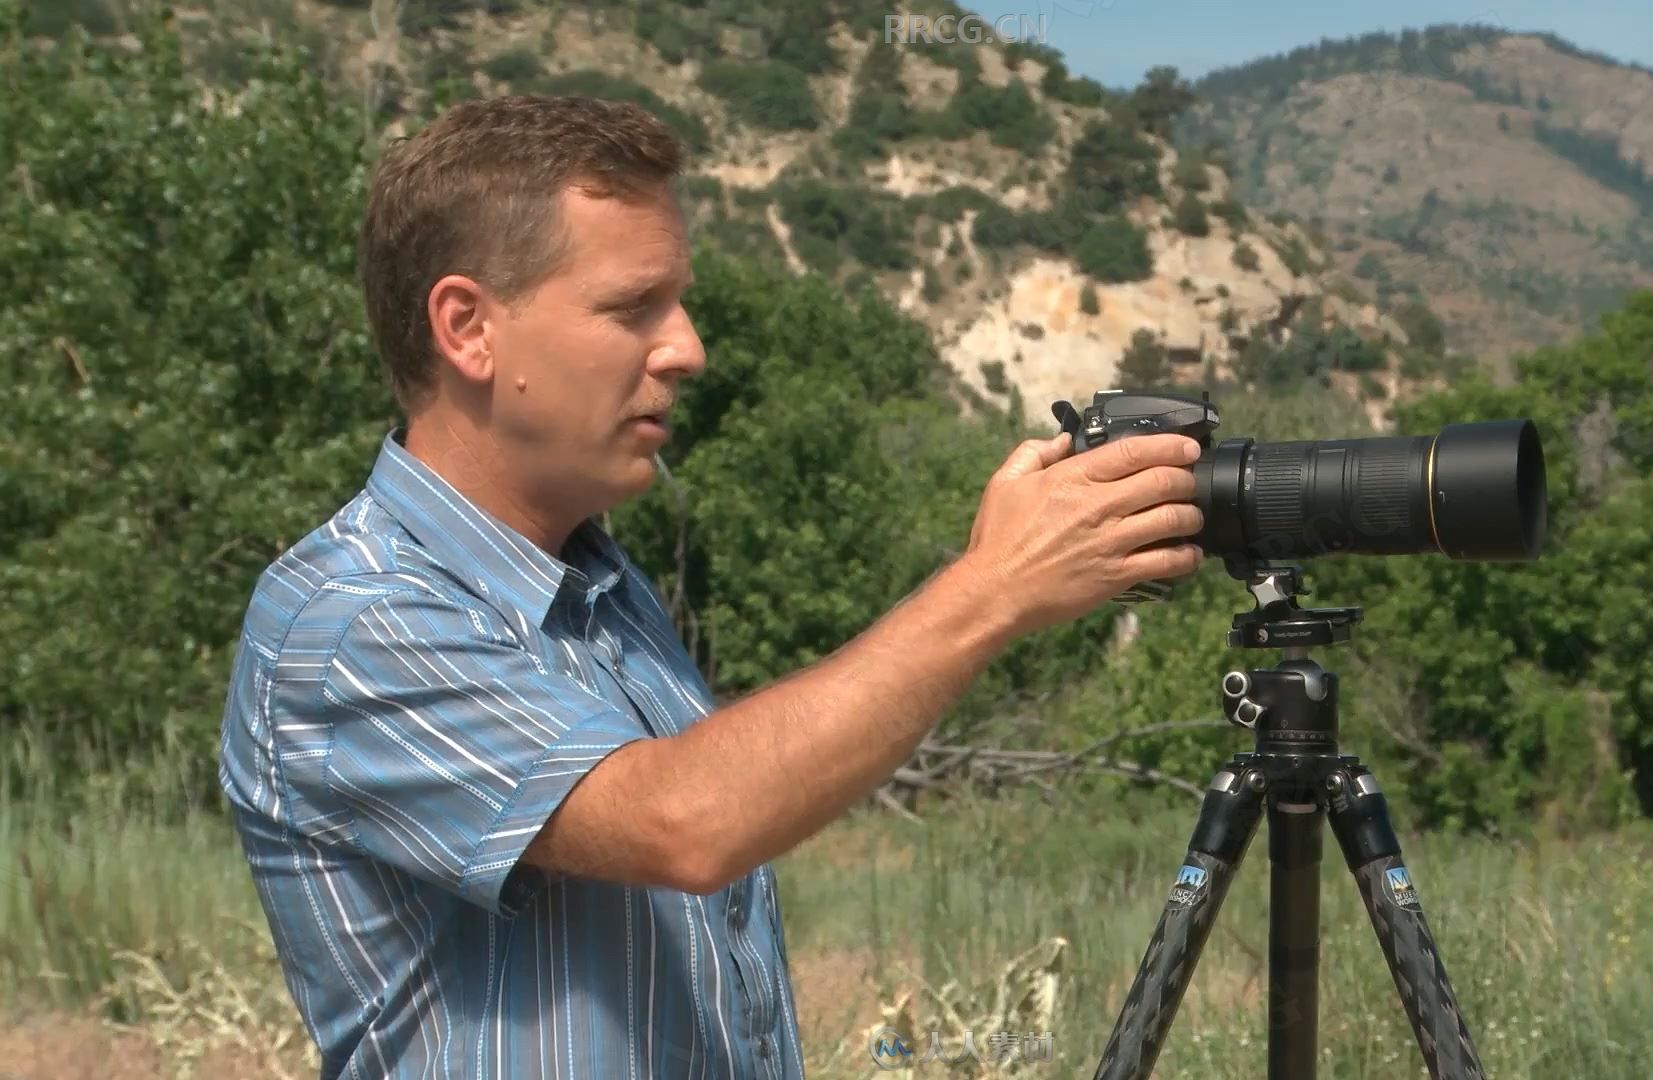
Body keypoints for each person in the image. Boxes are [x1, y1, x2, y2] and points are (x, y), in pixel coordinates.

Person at [216, 93, 1206, 1080]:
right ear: (468, 328)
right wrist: (994, 588)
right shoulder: (349, 619)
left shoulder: (596, 585)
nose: (686, 347)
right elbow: (685, 821)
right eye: (631, 306)